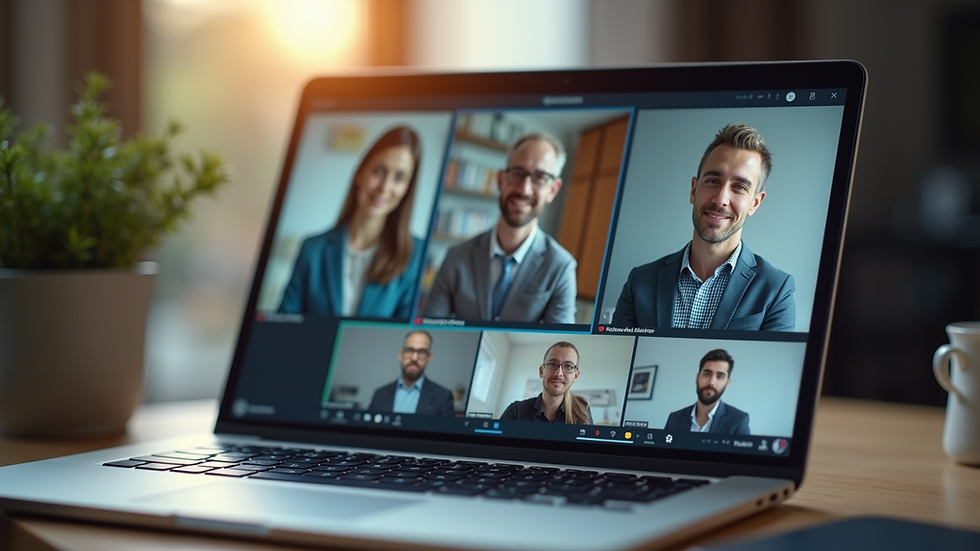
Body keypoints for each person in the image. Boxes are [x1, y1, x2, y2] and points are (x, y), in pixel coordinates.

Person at [611, 123, 795, 331]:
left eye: (739, 187)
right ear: (693, 190)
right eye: (713, 180)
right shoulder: (640, 281)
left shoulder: (777, 290)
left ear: (754, 203)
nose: (721, 199)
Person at [423, 133, 577, 323]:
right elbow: (431, 330)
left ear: (553, 189)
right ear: (500, 180)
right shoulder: (456, 257)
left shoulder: (561, 267)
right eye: (517, 174)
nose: (524, 189)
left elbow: (557, 341)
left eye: (540, 177)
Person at [279, 126, 425, 318]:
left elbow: (403, 336)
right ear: (360, 173)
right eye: (379, 171)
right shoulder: (312, 249)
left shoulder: (415, 254)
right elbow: (283, 323)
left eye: (399, 178)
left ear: (407, 189)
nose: (385, 187)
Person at [499, 341, 592, 424]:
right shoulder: (516, 411)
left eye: (568, 366)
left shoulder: (583, 413)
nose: (558, 373)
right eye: (552, 364)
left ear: (575, 376)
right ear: (541, 371)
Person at [368, 330, 455, 416]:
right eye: (409, 350)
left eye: (421, 352)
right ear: (401, 354)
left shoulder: (443, 397)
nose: (414, 358)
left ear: (429, 357)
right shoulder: (380, 394)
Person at [664, 349, 750, 434]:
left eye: (720, 376)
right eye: (707, 374)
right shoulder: (674, 419)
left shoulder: (738, 421)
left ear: (727, 383)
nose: (711, 382)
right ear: (697, 378)